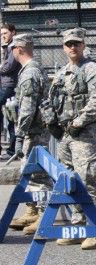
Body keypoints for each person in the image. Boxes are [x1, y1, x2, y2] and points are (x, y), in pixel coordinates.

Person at [40, 28, 96, 250]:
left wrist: (78, 122)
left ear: (83, 45)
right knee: (69, 181)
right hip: (65, 137)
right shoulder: (62, 73)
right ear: (63, 47)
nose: (72, 47)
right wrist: (52, 122)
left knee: (88, 181)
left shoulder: (92, 69)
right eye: (68, 44)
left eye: (76, 43)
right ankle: (78, 225)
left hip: (84, 135)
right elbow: (51, 100)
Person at [7, 34, 52, 235]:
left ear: (19, 49)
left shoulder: (29, 73)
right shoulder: (32, 70)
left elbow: (27, 108)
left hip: (34, 131)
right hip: (35, 130)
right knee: (31, 172)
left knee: (38, 175)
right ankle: (33, 210)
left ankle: (43, 215)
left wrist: (19, 135)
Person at [0, 23, 21, 160]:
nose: (3, 36)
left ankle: (13, 149)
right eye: (1, 34)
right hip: (6, 85)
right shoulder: (7, 47)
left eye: (5, 33)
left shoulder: (14, 46)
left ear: (13, 32)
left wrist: (1, 66)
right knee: (10, 116)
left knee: (12, 117)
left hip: (10, 86)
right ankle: (12, 149)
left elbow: (8, 67)